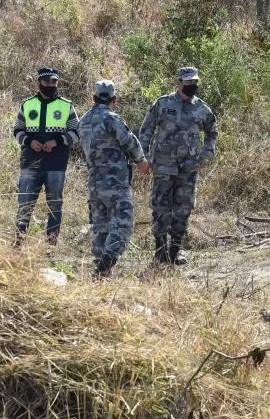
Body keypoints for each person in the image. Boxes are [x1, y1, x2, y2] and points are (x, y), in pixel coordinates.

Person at [138, 67, 218, 266]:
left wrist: (206, 155)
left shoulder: (202, 108)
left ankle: (175, 249)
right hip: (163, 165)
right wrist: (144, 157)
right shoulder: (163, 103)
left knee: (183, 207)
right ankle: (159, 250)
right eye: (188, 82)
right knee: (160, 207)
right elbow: (146, 129)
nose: (192, 86)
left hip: (188, 167)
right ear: (179, 82)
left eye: (195, 82)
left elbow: (212, 132)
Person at [78, 80, 150, 279]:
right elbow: (130, 142)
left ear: (93, 98)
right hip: (115, 182)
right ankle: (104, 267)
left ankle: (100, 275)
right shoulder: (111, 118)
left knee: (101, 228)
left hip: (94, 183)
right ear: (114, 100)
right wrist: (142, 162)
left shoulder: (83, 121)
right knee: (123, 226)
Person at [13, 67, 79, 247]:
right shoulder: (27, 104)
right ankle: (18, 244)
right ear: (39, 82)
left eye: (54, 81)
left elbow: (76, 132)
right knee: (25, 204)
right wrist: (28, 141)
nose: (51, 84)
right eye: (47, 81)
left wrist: (58, 141)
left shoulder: (66, 105)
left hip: (56, 164)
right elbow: (17, 130)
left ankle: (50, 247)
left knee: (55, 206)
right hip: (30, 163)